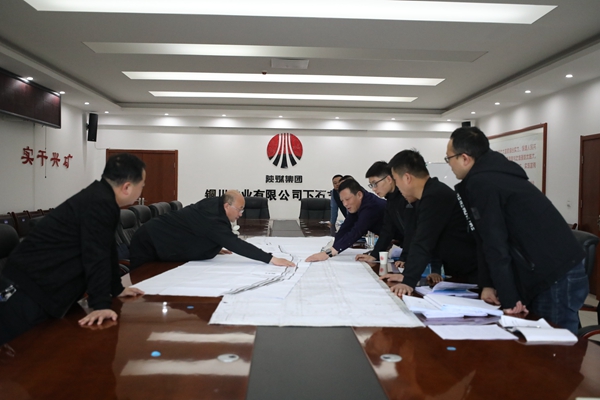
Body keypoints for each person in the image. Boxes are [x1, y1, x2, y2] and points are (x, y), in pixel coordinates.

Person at [446, 126, 586, 333]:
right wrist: (489, 284)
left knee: (554, 343)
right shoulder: (492, 175)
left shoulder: (483, 182)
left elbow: (495, 242)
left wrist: (509, 298)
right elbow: (483, 238)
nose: (449, 164)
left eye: (449, 158)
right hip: (546, 268)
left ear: (465, 158)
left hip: (554, 272)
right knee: (538, 340)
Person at [0, 153, 147, 344]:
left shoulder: (101, 199)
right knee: (19, 353)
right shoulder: (99, 203)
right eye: (142, 185)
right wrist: (100, 305)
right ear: (127, 187)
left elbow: (107, 248)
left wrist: (116, 288)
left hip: (42, 289)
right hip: (26, 291)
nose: (142, 189)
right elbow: (96, 255)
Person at [380, 149, 478, 296]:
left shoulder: (435, 196)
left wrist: (408, 281)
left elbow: (423, 241)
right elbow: (419, 237)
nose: (397, 187)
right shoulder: (426, 196)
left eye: (396, 180)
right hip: (459, 273)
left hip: (472, 274)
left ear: (407, 178)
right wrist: (407, 275)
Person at [129, 190, 295, 269]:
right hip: (150, 243)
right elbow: (235, 243)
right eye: (239, 210)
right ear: (227, 206)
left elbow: (200, 231)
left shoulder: (215, 205)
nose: (241, 214)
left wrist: (212, 244)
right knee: (143, 288)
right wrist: (270, 259)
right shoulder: (212, 217)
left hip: (160, 241)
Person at [354, 161, 443, 284]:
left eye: (375, 184)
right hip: (416, 252)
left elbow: (414, 229)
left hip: (431, 255)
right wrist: (374, 255)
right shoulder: (390, 201)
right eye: (371, 185)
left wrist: (405, 257)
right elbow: (387, 230)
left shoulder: (407, 196)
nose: (374, 189)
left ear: (389, 179)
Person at [306, 179, 386, 261]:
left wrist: (329, 253)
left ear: (359, 195)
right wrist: (332, 247)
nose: (345, 204)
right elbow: (346, 227)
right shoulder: (357, 204)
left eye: (347, 199)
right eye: (342, 201)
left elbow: (357, 231)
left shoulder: (370, 205)